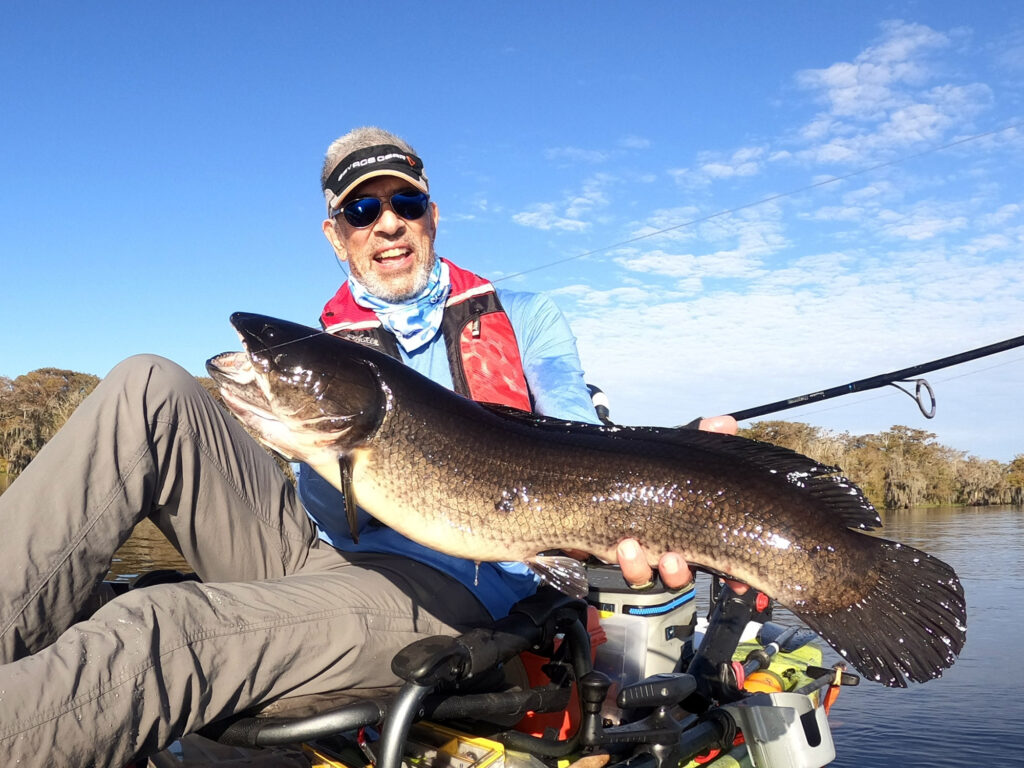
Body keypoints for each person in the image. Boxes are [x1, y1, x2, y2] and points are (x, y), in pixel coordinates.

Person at [0, 127, 737, 766]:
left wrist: (678, 465)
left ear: (432, 217)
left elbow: (581, 439)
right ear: (335, 233)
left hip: (450, 589)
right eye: (362, 209)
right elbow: (307, 478)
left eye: (404, 203)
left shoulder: (526, 316)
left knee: (161, 626)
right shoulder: (325, 347)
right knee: (146, 384)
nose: (387, 224)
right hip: (319, 553)